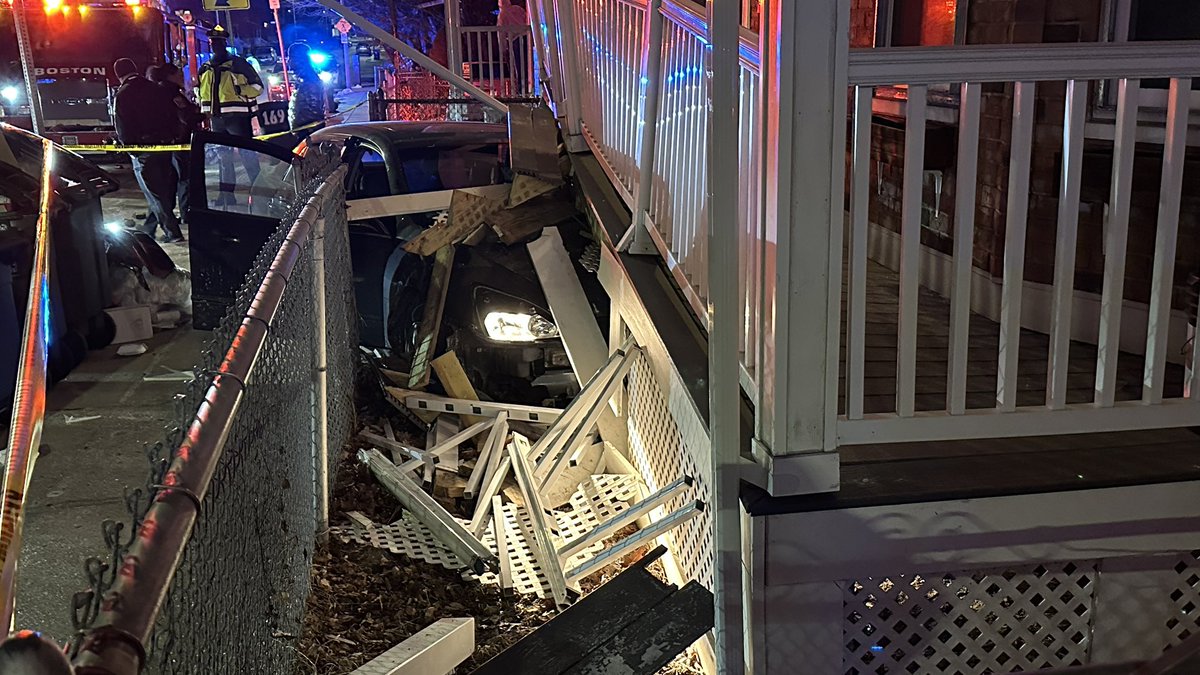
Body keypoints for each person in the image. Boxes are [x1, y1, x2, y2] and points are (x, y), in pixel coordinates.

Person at [112, 58, 185, 243]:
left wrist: (129, 148)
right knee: (161, 189)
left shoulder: (123, 94)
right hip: (165, 145)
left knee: (155, 193)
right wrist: (171, 137)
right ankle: (149, 229)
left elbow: (123, 125)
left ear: (118, 75)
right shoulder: (156, 88)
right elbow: (172, 114)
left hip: (143, 149)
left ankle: (172, 233)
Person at [197, 25, 263, 205]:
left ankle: (261, 193)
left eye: (218, 42)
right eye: (212, 42)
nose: (214, 46)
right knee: (223, 160)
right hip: (217, 120)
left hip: (238, 118)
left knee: (248, 157)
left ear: (224, 43)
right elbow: (200, 91)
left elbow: (258, 87)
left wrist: (240, 90)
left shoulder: (238, 64)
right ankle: (226, 196)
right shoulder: (205, 68)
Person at [148, 63, 204, 235]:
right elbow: (186, 116)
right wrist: (202, 115)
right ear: (169, 75)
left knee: (169, 182)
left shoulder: (159, 91)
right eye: (179, 74)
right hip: (180, 142)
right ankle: (185, 214)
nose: (182, 77)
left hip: (169, 142)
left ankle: (160, 220)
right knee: (184, 178)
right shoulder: (171, 92)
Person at [287, 43, 326, 140]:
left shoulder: (310, 81)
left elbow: (313, 111)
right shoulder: (302, 79)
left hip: (308, 133)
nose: (288, 61)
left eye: (291, 57)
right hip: (303, 131)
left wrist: (305, 131)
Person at [497, 0, 530, 96]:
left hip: (516, 40)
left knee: (519, 67)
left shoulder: (502, 15)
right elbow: (526, 19)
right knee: (528, 65)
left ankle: (521, 90)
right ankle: (529, 86)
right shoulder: (518, 9)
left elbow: (501, 34)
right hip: (527, 37)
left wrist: (503, 49)